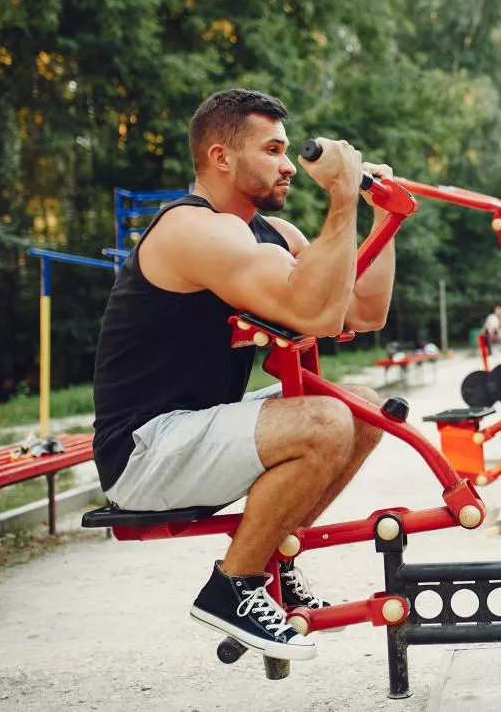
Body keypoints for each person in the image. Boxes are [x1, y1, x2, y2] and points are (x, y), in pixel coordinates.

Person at [91, 89, 397, 661]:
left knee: (361, 407)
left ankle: (272, 555)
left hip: (195, 428)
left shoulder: (274, 234)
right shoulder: (191, 229)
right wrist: (341, 199)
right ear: (221, 157)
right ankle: (234, 584)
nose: (287, 165)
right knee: (324, 422)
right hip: (143, 450)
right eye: (273, 149)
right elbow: (313, 314)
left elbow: (361, 312)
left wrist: (382, 215)